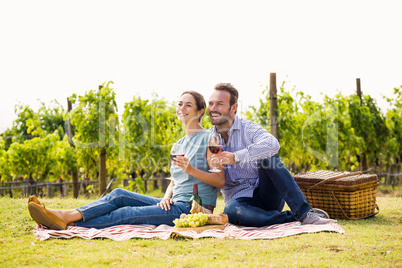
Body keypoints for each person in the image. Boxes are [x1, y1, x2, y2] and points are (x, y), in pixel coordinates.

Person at [28, 91, 225, 230]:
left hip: (193, 209)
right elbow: (175, 181)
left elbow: (220, 181)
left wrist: (191, 170)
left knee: (127, 213)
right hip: (173, 203)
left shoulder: (210, 139)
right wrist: (166, 197)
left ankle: (64, 219)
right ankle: (65, 215)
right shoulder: (178, 145)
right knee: (119, 194)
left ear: (200, 112)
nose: (182, 108)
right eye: (180, 104)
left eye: (188, 105)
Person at [207, 83, 335, 227]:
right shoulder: (208, 138)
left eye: (219, 104)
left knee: (269, 158)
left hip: (268, 195)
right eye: (210, 103)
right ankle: (291, 217)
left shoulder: (248, 128)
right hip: (240, 202)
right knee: (230, 211)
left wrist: (236, 157)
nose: (213, 108)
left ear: (234, 107)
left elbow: (272, 144)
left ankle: (305, 213)